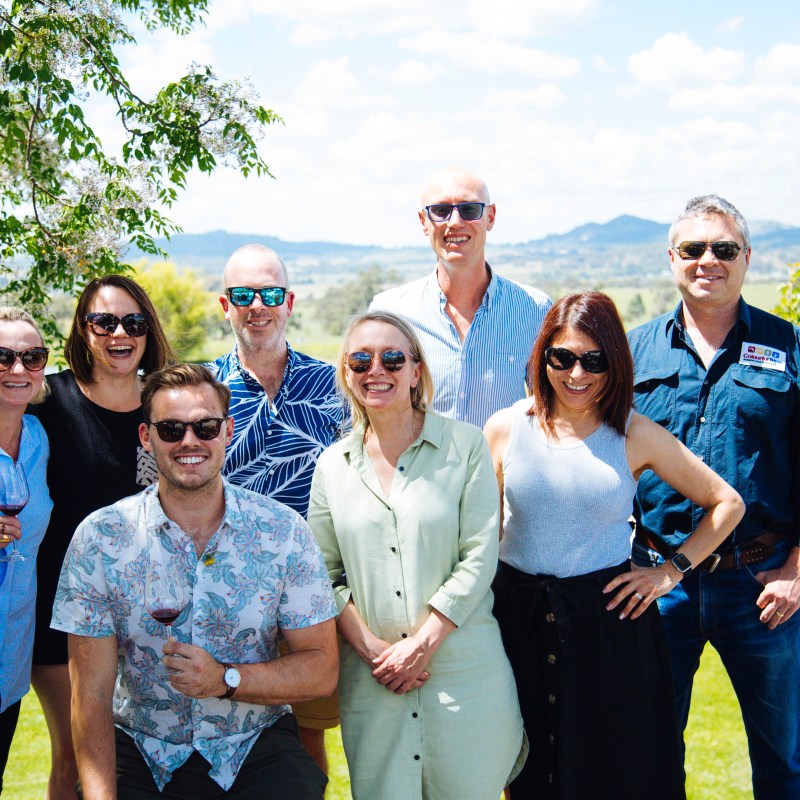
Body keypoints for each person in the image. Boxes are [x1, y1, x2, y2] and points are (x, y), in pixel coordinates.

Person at [484, 292, 744, 799]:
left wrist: (670, 571)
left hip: (607, 624)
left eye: (594, 360)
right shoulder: (504, 427)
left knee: (613, 772)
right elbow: (483, 531)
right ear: (543, 357)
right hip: (518, 617)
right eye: (562, 357)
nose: (576, 373)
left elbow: (726, 503)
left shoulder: (634, 432)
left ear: (614, 363)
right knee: (524, 766)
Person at [52, 363, 339, 799]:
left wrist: (226, 679)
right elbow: (90, 695)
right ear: (146, 438)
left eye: (205, 426)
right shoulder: (101, 537)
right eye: (171, 429)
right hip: (144, 749)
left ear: (227, 431)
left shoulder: (283, 531)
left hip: (253, 745)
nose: (190, 441)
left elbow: (321, 670)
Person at [308, 310, 526, 800]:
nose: (376, 371)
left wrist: (421, 645)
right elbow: (322, 574)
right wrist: (372, 650)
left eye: (391, 358)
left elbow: (478, 557)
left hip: (463, 677)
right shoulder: (332, 465)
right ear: (346, 372)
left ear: (416, 371)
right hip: (375, 681)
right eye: (360, 360)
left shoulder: (465, 446)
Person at [628, 195, 800, 799]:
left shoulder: (790, 348)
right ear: (671, 257)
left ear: (746, 258)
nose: (708, 260)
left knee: (787, 763)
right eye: (693, 249)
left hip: (763, 586)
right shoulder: (630, 352)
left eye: (723, 249)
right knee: (647, 755)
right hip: (658, 582)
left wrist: (797, 572)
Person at [28, 275, 174, 798]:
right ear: (83, 330)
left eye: (133, 322)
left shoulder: (164, 406)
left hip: (151, 610)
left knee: (147, 756)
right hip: (61, 609)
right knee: (77, 754)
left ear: (147, 330)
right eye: (104, 321)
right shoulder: (48, 400)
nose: (119, 334)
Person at [210, 244, 346, 770]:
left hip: (312, 601)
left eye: (269, 294)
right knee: (228, 747)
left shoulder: (333, 386)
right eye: (243, 295)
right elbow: (157, 484)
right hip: (225, 602)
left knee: (308, 749)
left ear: (288, 301)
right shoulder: (202, 389)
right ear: (226, 306)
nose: (256, 306)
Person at [370, 167, 551, 428]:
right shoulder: (390, 312)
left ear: (490, 216)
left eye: (469, 209)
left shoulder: (535, 309)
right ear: (424, 222)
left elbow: (549, 410)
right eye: (441, 211)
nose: (455, 222)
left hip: (498, 469)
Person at [0, 307, 52, 794]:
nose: (19, 369)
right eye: (3, 357)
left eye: (32, 357)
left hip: (9, 661)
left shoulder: (37, 438)